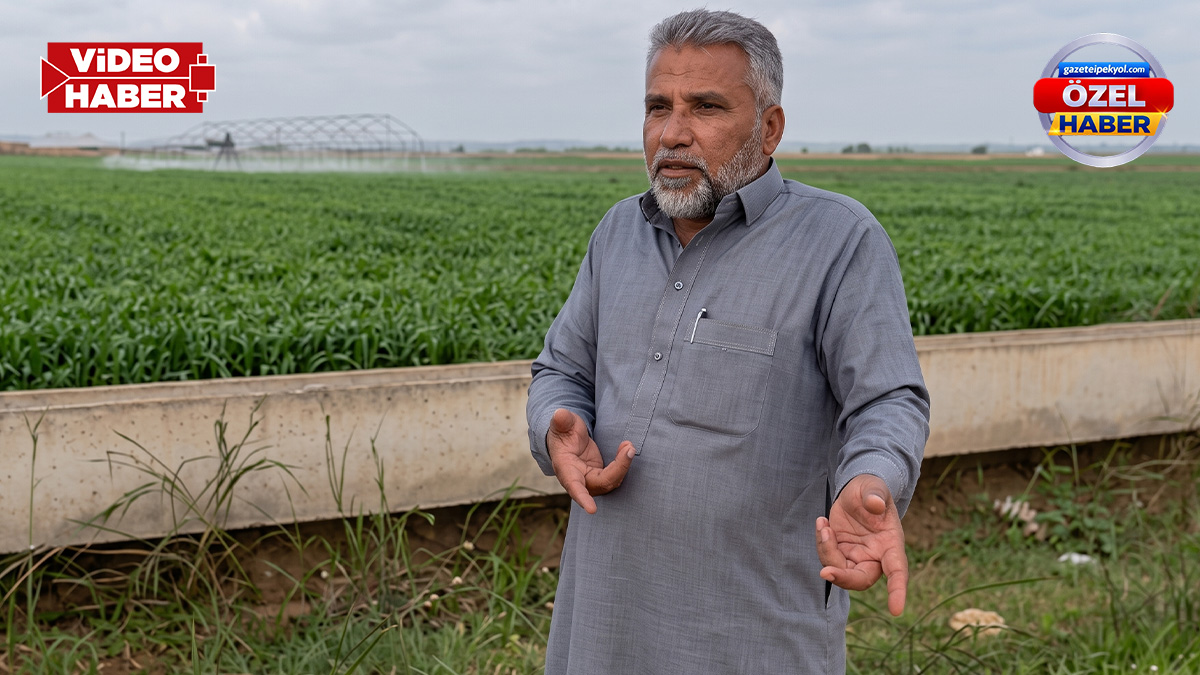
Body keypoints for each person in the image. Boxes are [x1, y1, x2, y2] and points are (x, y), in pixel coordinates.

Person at [526, 9, 929, 673]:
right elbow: (561, 369)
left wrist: (871, 479)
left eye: (705, 107)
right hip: (605, 618)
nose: (672, 133)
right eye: (658, 107)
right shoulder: (618, 233)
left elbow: (888, 399)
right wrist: (555, 424)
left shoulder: (839, 240)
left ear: (769, 128)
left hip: (753, 631)